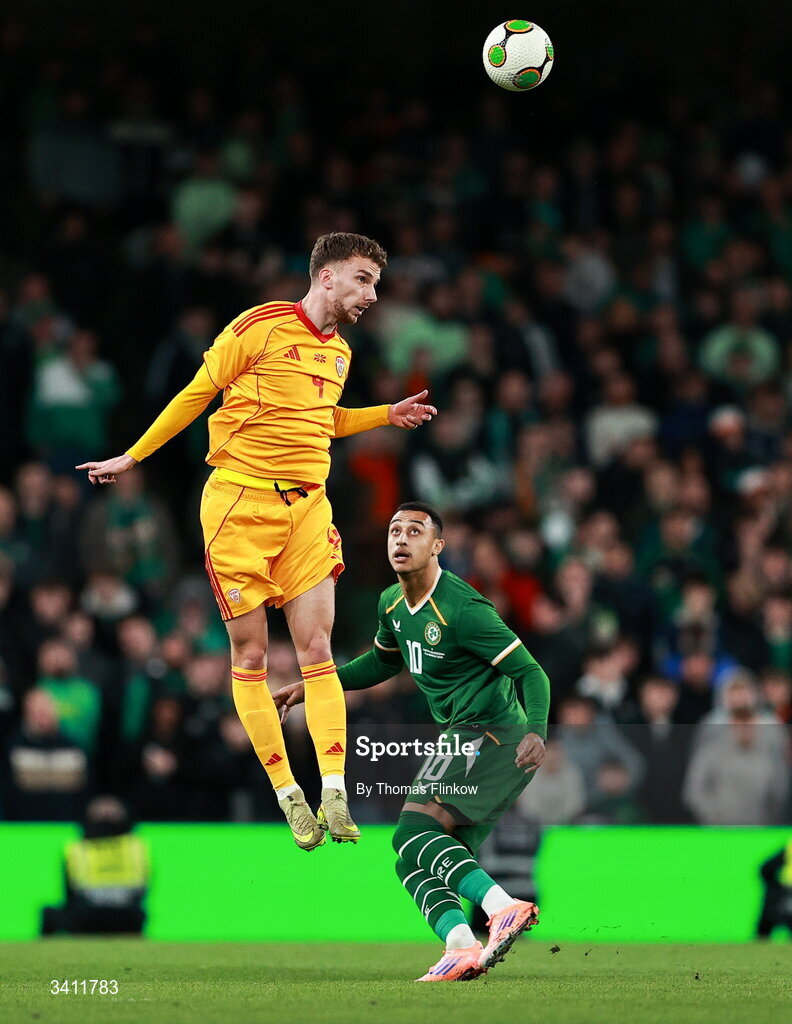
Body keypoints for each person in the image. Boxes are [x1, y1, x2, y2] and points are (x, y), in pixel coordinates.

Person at [76, 233, 436, 850]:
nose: (372, 295)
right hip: (240, 505)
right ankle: (288, 795)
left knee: (317, 645)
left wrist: (384, 414)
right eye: (362, 280)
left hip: (307, 509)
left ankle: (332, 788)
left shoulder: (340, 354)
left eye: (375, 283)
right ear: (326, 277)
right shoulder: (258, 326)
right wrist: (135, 456)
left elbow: (324, 421)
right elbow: (197, 393)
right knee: (249, 657)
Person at [274, 502, 550, 982]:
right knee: (410, 859)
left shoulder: (464, 609)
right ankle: (461, 945)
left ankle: (501, 906)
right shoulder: (392, 604)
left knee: (409, 832)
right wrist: (317, 684)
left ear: (437, 546)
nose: (401, 539)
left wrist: (537, 730)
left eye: (415, 531)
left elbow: (530, 671)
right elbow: (382, 663)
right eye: (394, 530)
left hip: (490, 733)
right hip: (470, 736)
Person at [40, 795, 149, 935]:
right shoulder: (135, 846)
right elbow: (144, 888)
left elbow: (69, 892)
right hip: (128, 916)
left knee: (50, 914)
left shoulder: (78, 848)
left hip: (88, 916)